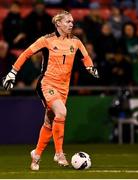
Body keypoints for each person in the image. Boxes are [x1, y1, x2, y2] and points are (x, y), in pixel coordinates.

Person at [2, 10, 99, 170]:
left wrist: (90, 67)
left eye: (72, 21)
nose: (71, 24)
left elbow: (85, 55)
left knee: (49, 120)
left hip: (64, 87)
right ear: (58, 23)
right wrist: (12, 73)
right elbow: (26, 54)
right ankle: (59, 153)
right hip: (47, 83)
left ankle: (37, 155)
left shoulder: (75, 41)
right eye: (68, 21)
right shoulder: (46, 40)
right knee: (61, 112)